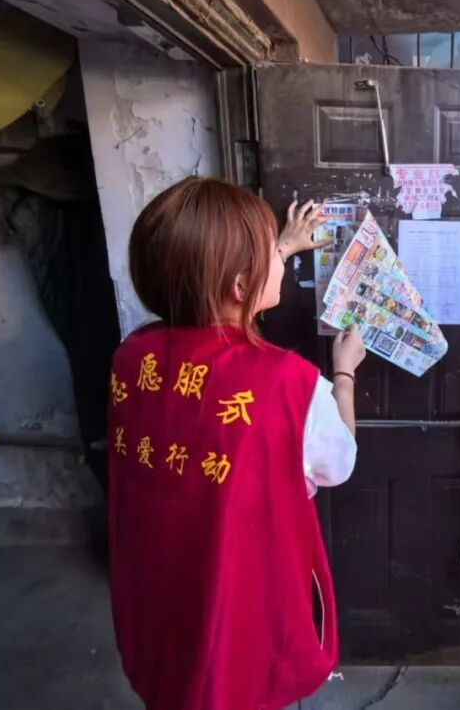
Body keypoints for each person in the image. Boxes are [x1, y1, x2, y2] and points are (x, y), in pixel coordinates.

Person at [107, 177, 365, 710]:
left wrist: (283, 247)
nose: (280, 256)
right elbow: (338, 464)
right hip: (239, 600)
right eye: (271, 249)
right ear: (240, 284)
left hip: (160, 589)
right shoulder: (290, 385)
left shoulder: (133, 356)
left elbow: (219, 317)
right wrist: (344, 375)